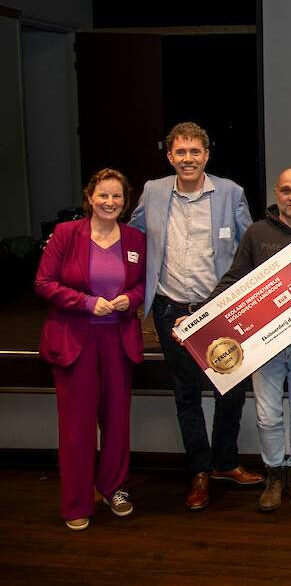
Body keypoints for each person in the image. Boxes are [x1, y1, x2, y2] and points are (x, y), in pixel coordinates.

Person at [130, 121, 263, 510]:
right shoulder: (153, 191)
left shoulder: (230, 193)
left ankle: (225, 462)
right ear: (169, 156)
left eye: (195, 152)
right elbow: (133, 237)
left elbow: (247, 245)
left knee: (232, 390)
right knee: (186, 395)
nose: (188, 159)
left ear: (207, 155)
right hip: (171, 309)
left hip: (218, 310)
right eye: (180, 152)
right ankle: (200, 470)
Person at [197, 168, 291, 512]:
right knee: (267, 416)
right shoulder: (256, 234)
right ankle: (275, 474)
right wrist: (198, 319)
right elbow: (234, 279)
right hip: (265, 347)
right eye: (287, 191)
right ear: (276, 193)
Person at [35, 168, 146, 531]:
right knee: (77, 428)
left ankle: (114, 487)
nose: (110, 202)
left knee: (117, 423)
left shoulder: (133, 239)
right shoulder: (67, 234)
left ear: (124, 202)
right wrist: (85, 303)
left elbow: (143, 286)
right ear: (90, 198)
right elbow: (44, 283)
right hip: (75, 342)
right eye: (103, 195)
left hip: (118, 340)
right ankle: (77, 502)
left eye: (117, 196)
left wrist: (128, 299)